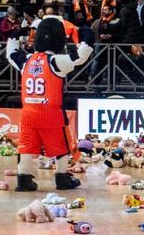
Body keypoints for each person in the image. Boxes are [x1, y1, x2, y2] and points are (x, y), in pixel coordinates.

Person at [6, 16, 91, 192]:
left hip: (29, 114)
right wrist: (86, 35)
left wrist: (15, 35)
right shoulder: (56, 62)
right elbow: (81, 56)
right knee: (61, 147)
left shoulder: (26, 61)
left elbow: (11, 54)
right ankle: (61, 178)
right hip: (52, 114)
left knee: (26, 147)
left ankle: (23, 179)